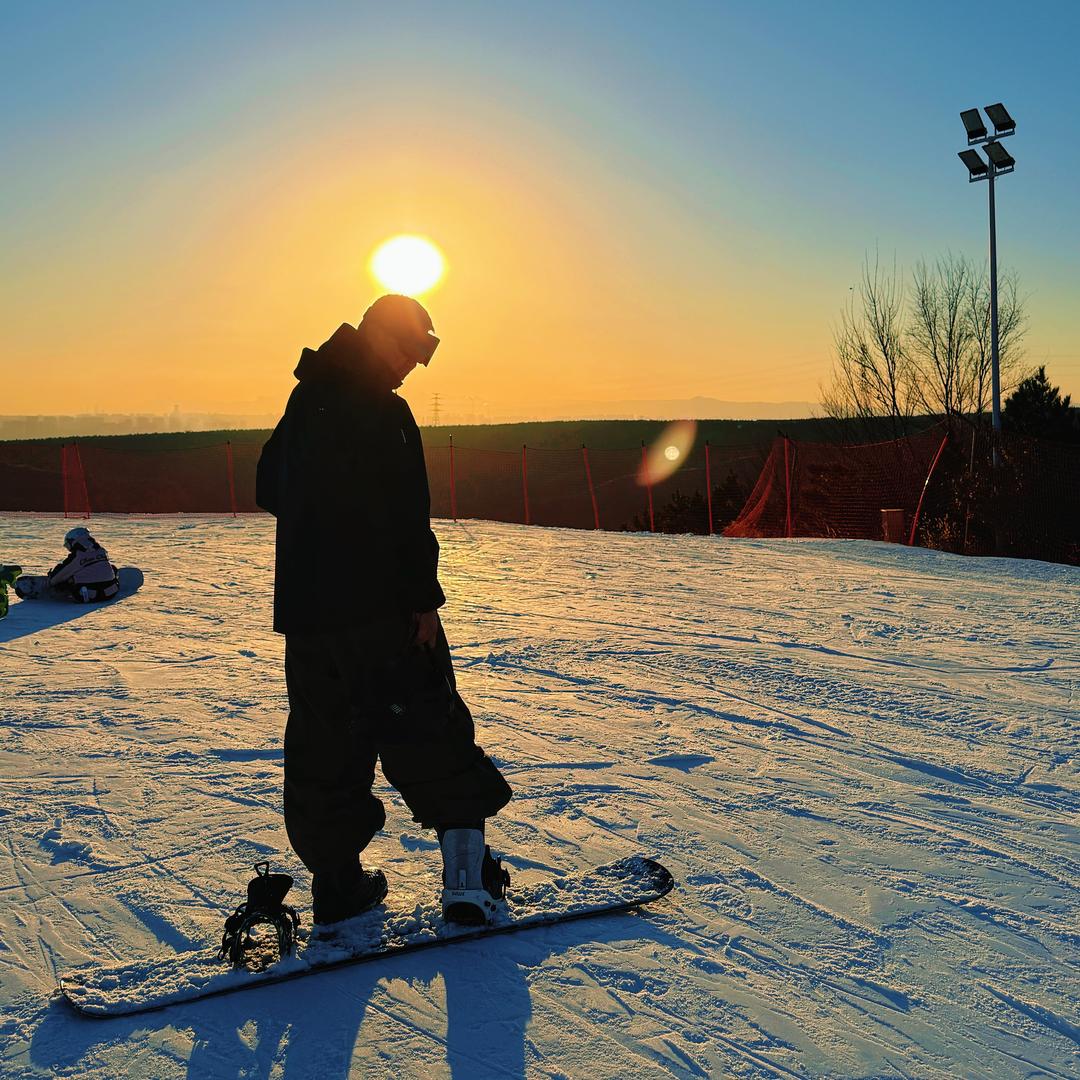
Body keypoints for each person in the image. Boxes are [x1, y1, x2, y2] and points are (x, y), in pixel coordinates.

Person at [256, 294, 512, 928]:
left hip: (313, 619)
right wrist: (422, 600)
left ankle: (338, 888)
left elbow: (268, 487)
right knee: (429, 731)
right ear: (379, 338)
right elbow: (405, 518)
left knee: (326, 748)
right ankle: (465, 884)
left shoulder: (306, 401)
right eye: (411, 350)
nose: (413, 368)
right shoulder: (387, 413)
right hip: (382, 613)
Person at [45, 527, 119, 602]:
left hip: (87, 595)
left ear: (73, 541)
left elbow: (62, 573)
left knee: (67, 577)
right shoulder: (101, 551)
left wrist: (51, 580)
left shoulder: (77, 555)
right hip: (111, 593)